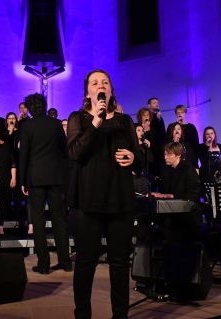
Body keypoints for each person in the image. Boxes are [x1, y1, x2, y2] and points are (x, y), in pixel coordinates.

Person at [67, 69, 141, 319]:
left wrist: (134, 157)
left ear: (110, 90)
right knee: (86, 263)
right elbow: (76, 153)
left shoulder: (125, 121)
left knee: (119, 264)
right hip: (88, 201)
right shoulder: (78, 118)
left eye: (105, 82)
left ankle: (120, 315)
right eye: (95, 83)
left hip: (120, 199)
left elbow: (141, 160)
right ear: (88, 91)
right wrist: (97, 122)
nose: (101, 86)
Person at [20, 93, 71, 275]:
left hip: (36, 178)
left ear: (30, 108)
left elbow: (23, 155)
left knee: (39, 221)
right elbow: (64, 152)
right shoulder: (56, 124)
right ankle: (65, 261)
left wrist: (23, 181)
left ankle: (43, 264)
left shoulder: (27, 126)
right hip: (55, 177)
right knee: (59, 219)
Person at [146, 97, 165, 179]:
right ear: (149, 105)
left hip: (160, 149)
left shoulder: (159, 117)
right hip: (151, 149)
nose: (156, 104)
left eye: (157, 102)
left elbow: (163, 133)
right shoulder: (148, 117)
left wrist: (159, 119)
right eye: (154, 103)